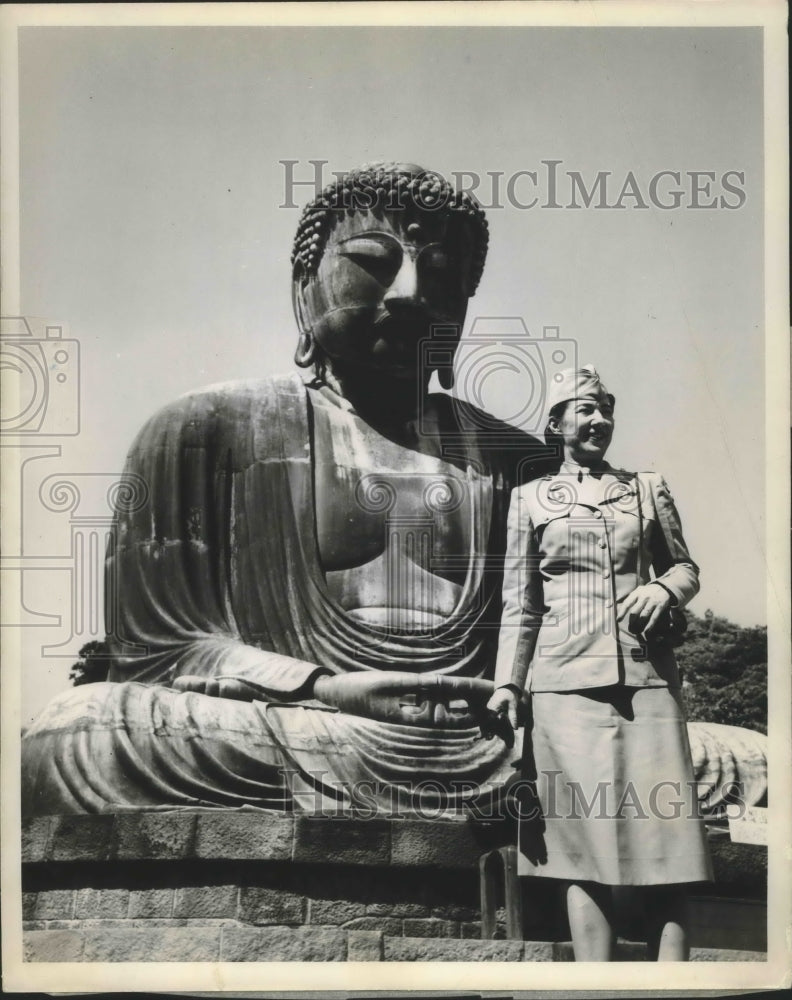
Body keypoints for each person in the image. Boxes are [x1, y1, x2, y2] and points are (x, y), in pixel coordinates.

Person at [21, 162, 551, 817]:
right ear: (304, 286)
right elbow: (154, 654)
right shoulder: (201, 430)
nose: (412, 292)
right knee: (83, 732)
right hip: (294, 724)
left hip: (483, 737)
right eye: (371, 262)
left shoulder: (523, 465)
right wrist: (325, 688)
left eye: (442, 273)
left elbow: (559, 646)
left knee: (704, 758)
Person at [486, 366, 713, 961]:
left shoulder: (646, 487)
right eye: (584, 409)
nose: (599, 419)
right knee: (579, 845)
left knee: (671, 840)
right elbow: (521, 602)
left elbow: (685, 567)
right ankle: (597, 981)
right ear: (556, 424)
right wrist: (508, 683)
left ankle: (672, 985)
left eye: (606, 409)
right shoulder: (529, 499)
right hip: (563, 688)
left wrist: (665, 589)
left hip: (648, 680)